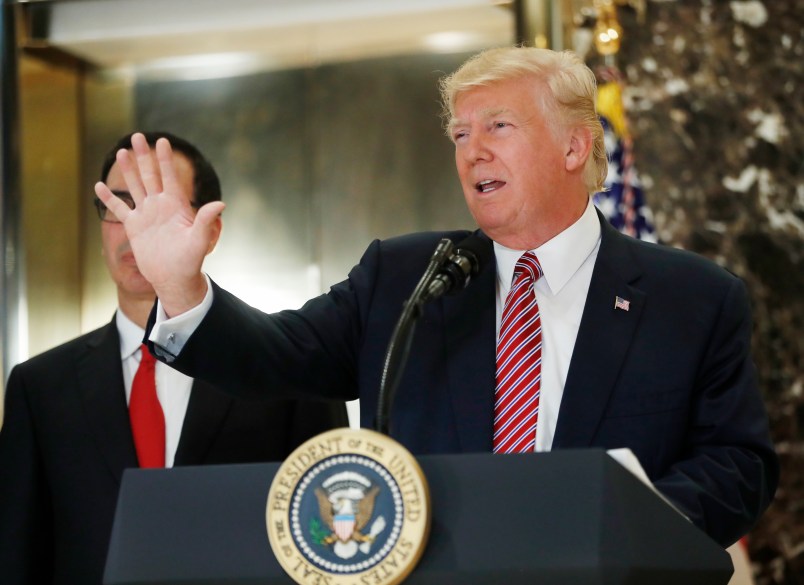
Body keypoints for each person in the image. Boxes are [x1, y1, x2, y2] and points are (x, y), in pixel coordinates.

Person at [94, 49, 778, 549]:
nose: (471, 151)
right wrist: (180, 286)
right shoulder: (404, 276)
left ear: (575, 146)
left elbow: (738, 468)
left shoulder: (692, 299)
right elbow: (275, 357)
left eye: (497, 128)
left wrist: (620, 514)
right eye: (459, 134)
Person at [0, 131, 348, 585]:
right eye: (119, 206)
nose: (133, 228)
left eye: (158, 204)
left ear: (211, 231)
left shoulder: (284, 364)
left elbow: (331, 540)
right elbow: (16, 555)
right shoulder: (41, 386)